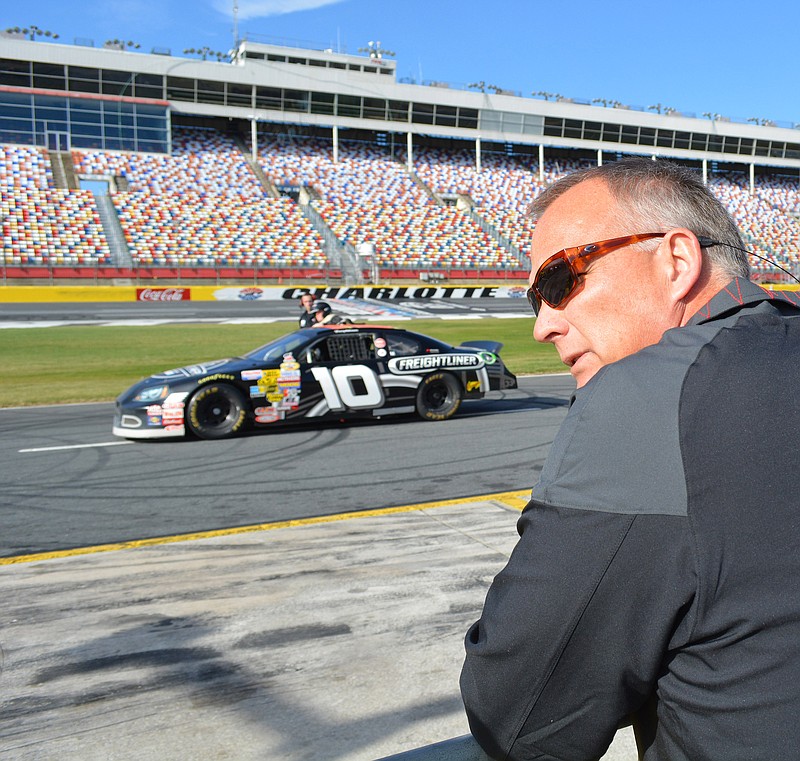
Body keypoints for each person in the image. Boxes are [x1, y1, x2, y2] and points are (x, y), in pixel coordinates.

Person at [460, 157, 800, 761]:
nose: (543, 324)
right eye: (534, 299)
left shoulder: (646, 398)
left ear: (676, 261)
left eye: (561, 281)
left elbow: (519, 719)